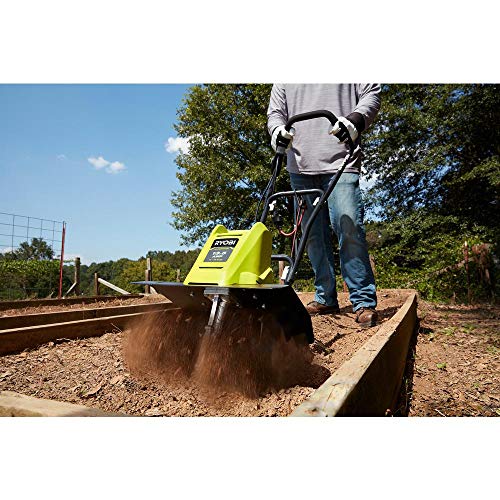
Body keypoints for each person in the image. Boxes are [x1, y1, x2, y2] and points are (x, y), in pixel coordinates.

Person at [267, 84, 381, 327]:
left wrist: (356, 119)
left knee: (348, 225)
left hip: (342, 158)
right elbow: (276, 112)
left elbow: (370, 93)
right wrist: (276, 129)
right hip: (299, 165)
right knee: (312, 235)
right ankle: (325, 297)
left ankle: (362, 300)